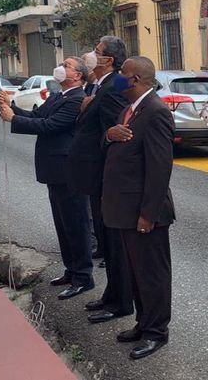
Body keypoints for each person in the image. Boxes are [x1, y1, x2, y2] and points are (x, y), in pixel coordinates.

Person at [0, 58, 94, 299]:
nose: (61, 66)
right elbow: (38, 116)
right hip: (54, 170)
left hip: (69, 170)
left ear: (78, 75)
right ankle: (71, 270)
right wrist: (11, 107)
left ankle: (84, 276)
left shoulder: (77, 99)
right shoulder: (57, 96)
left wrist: (13, 119)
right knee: (62, 223)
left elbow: (50, 125)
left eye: (68, 65)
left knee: (76, 224)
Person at [102, 56, 176, 360]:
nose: (117, 78)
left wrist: (148, 214)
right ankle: (143, 323)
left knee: (152, 274)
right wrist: (108, 134)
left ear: (134, 79)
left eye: (122, 74)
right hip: (124, 208)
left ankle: (156, 331)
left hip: (144, 212)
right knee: (136, 272)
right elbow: (116, 148)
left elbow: (159, 168)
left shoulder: (156, 112)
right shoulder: (128, 109)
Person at [67, 36, 133, 324]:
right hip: (95, 178)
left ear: (108, 60)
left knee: (114, 244)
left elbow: (116, 129)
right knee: (107, 242)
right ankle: (112, 294)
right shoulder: (98, 85)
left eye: (96, 52)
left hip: (106, 178)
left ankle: (120, 301)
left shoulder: (114, 84)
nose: (90, 56)